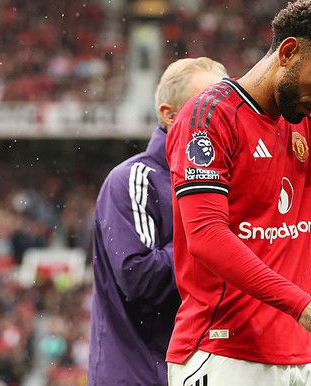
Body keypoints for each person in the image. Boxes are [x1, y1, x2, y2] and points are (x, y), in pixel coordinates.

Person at [165, 0, 311, 386]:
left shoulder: (304, 125)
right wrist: (304, 306)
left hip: (303, 355)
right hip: (225, 352)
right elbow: (206, 237)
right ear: (288, 52)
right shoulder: (209, 116)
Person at [88, 57, 228, 386]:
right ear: (169, 115)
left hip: (204, 370)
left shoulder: (227, 181)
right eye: (205, 107)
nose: (220, 119)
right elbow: (139, 278)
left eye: (225, 108)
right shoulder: (133, 179)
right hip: (140, 374)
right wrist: (209, 235)